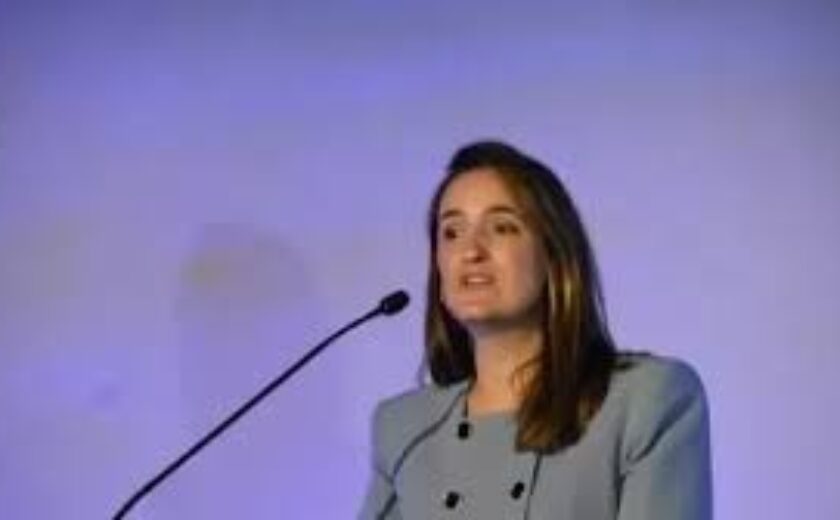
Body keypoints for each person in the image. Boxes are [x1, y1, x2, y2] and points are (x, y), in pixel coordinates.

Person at [359, 141, 712, 519]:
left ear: (554, 255)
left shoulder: (645, 401)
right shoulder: (405, 428)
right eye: (451, 232)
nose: (471, 251)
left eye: (502, 227)